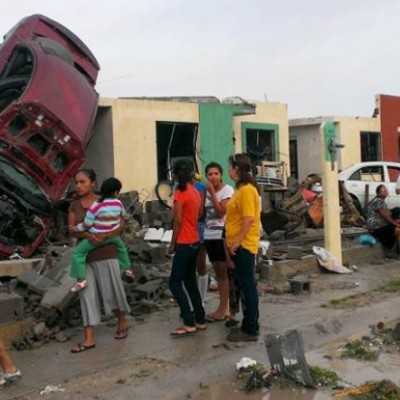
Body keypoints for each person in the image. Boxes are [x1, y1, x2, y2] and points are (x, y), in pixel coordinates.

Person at [68, 169, 131, 353]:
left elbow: (121, 223)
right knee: (86, 295)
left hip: (106, 253)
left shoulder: (106, 201)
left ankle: (122, 321)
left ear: (93, 183)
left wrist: (109, 234)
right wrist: (88, 234)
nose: (79, 186)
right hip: (86, 257)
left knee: (111, 291)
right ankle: (89, 338)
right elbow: (71, 229)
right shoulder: (74, 206)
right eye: (77, 182)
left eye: (83, 182)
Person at [69, 177, 133, 292]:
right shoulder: (118, 203)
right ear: (116, 192)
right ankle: (127, 269)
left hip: (95, 238)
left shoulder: (96, 205)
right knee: (121, 249)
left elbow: (87, 224)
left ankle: (81, 280)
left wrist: (76, 228)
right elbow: (123, 215)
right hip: (113, 237)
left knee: (78, 253)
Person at [225, 153, 261, 342]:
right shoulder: (241, 189)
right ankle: (249, 324)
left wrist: (238, 241)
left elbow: (248, 218)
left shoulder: (247, 190)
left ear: (236, 168)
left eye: (230, 166)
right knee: (246, 285)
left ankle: (250, 328)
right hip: (239, 244)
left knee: (248, 286)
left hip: (245, 245)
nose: (228, 170)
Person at [168, 160, 206, 336]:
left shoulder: (180, 194)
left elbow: (178, 222)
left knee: (174, 283)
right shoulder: (196, 192)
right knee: (190, 282)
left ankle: (188, 320)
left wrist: (172, 243)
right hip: (195, 240)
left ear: (175, 175)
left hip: (183, 241)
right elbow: (198, 215)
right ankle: (200, 319)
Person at [203, 162, 234, 322]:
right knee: (218, 273)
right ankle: (225, 308)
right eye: (210, 174)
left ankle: (223, 310)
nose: (213, 177)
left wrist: (212, 194)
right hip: (209, 236)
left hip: (221, 236)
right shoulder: (206, 192)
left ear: (221, 175)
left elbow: (221, 211)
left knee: (223, 274)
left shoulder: (227, 190)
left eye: (216, 173)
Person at [367, 184, 400, 251]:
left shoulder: (381, 201)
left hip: (381, 226)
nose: (386, 191)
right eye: (383, 191)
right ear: (378, 194)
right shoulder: (378, 201)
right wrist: (396, 224)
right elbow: (386, 217)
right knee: (398, 230)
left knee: (397, 210)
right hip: (377, 228)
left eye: (386, 190)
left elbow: (388, 215)